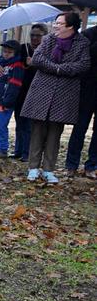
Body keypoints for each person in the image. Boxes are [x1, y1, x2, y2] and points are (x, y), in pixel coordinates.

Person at [21, 12, 91, 184]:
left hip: (65, 93)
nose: (55, 26)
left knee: (55, 131)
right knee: (38, 129)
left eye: (59, 23)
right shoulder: (49, 40)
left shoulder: (82, 43)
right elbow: (37, 58)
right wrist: (57, 69)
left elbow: (83, 64)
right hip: (42, 89)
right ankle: (33, 167)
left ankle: (49, 169)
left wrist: (62, 69)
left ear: (70, 26)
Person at [63, 24, 97, 178]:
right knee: (79, 128)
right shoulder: (88, 35)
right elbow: (79, 58)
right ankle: (71, 165)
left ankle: (91, 165)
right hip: (86, 88)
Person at [10, 24, 48, 161]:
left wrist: (35, 63)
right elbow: (9, 58)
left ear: (44, 36)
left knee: (29, 125)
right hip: (20, 91)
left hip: (37, 92)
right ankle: (18, 151)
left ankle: (28, 153)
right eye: (32, 35)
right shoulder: (23, 48)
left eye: (38, 35)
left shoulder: (46, 50)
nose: (34, 38)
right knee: (19, 122)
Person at [0, 39, 26, 159]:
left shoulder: (17, 66)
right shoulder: (2, 63)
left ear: (16, 53)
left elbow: (14, 86)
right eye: (4, 51)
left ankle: (3, 149)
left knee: (1, 125)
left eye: (9, 52)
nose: (6, 54)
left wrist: (6, 102)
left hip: (5, 102)